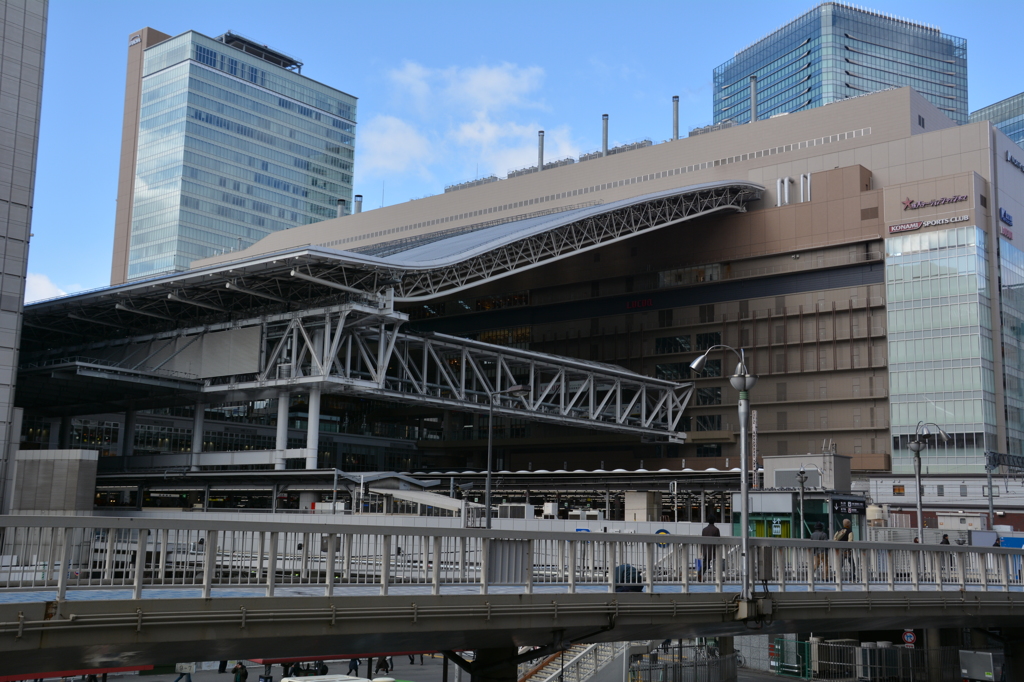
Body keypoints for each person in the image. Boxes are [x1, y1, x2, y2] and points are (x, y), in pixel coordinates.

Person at [701, 515, 721, 581]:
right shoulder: (716, 529)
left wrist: (702, 550)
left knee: (705, 563)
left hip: (705, 549)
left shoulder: (704, 530)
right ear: (714, 521)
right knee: (717, 563)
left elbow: (702, 540)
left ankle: (700, 575)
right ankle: (719, 577)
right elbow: (718, 540)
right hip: (713, 549)